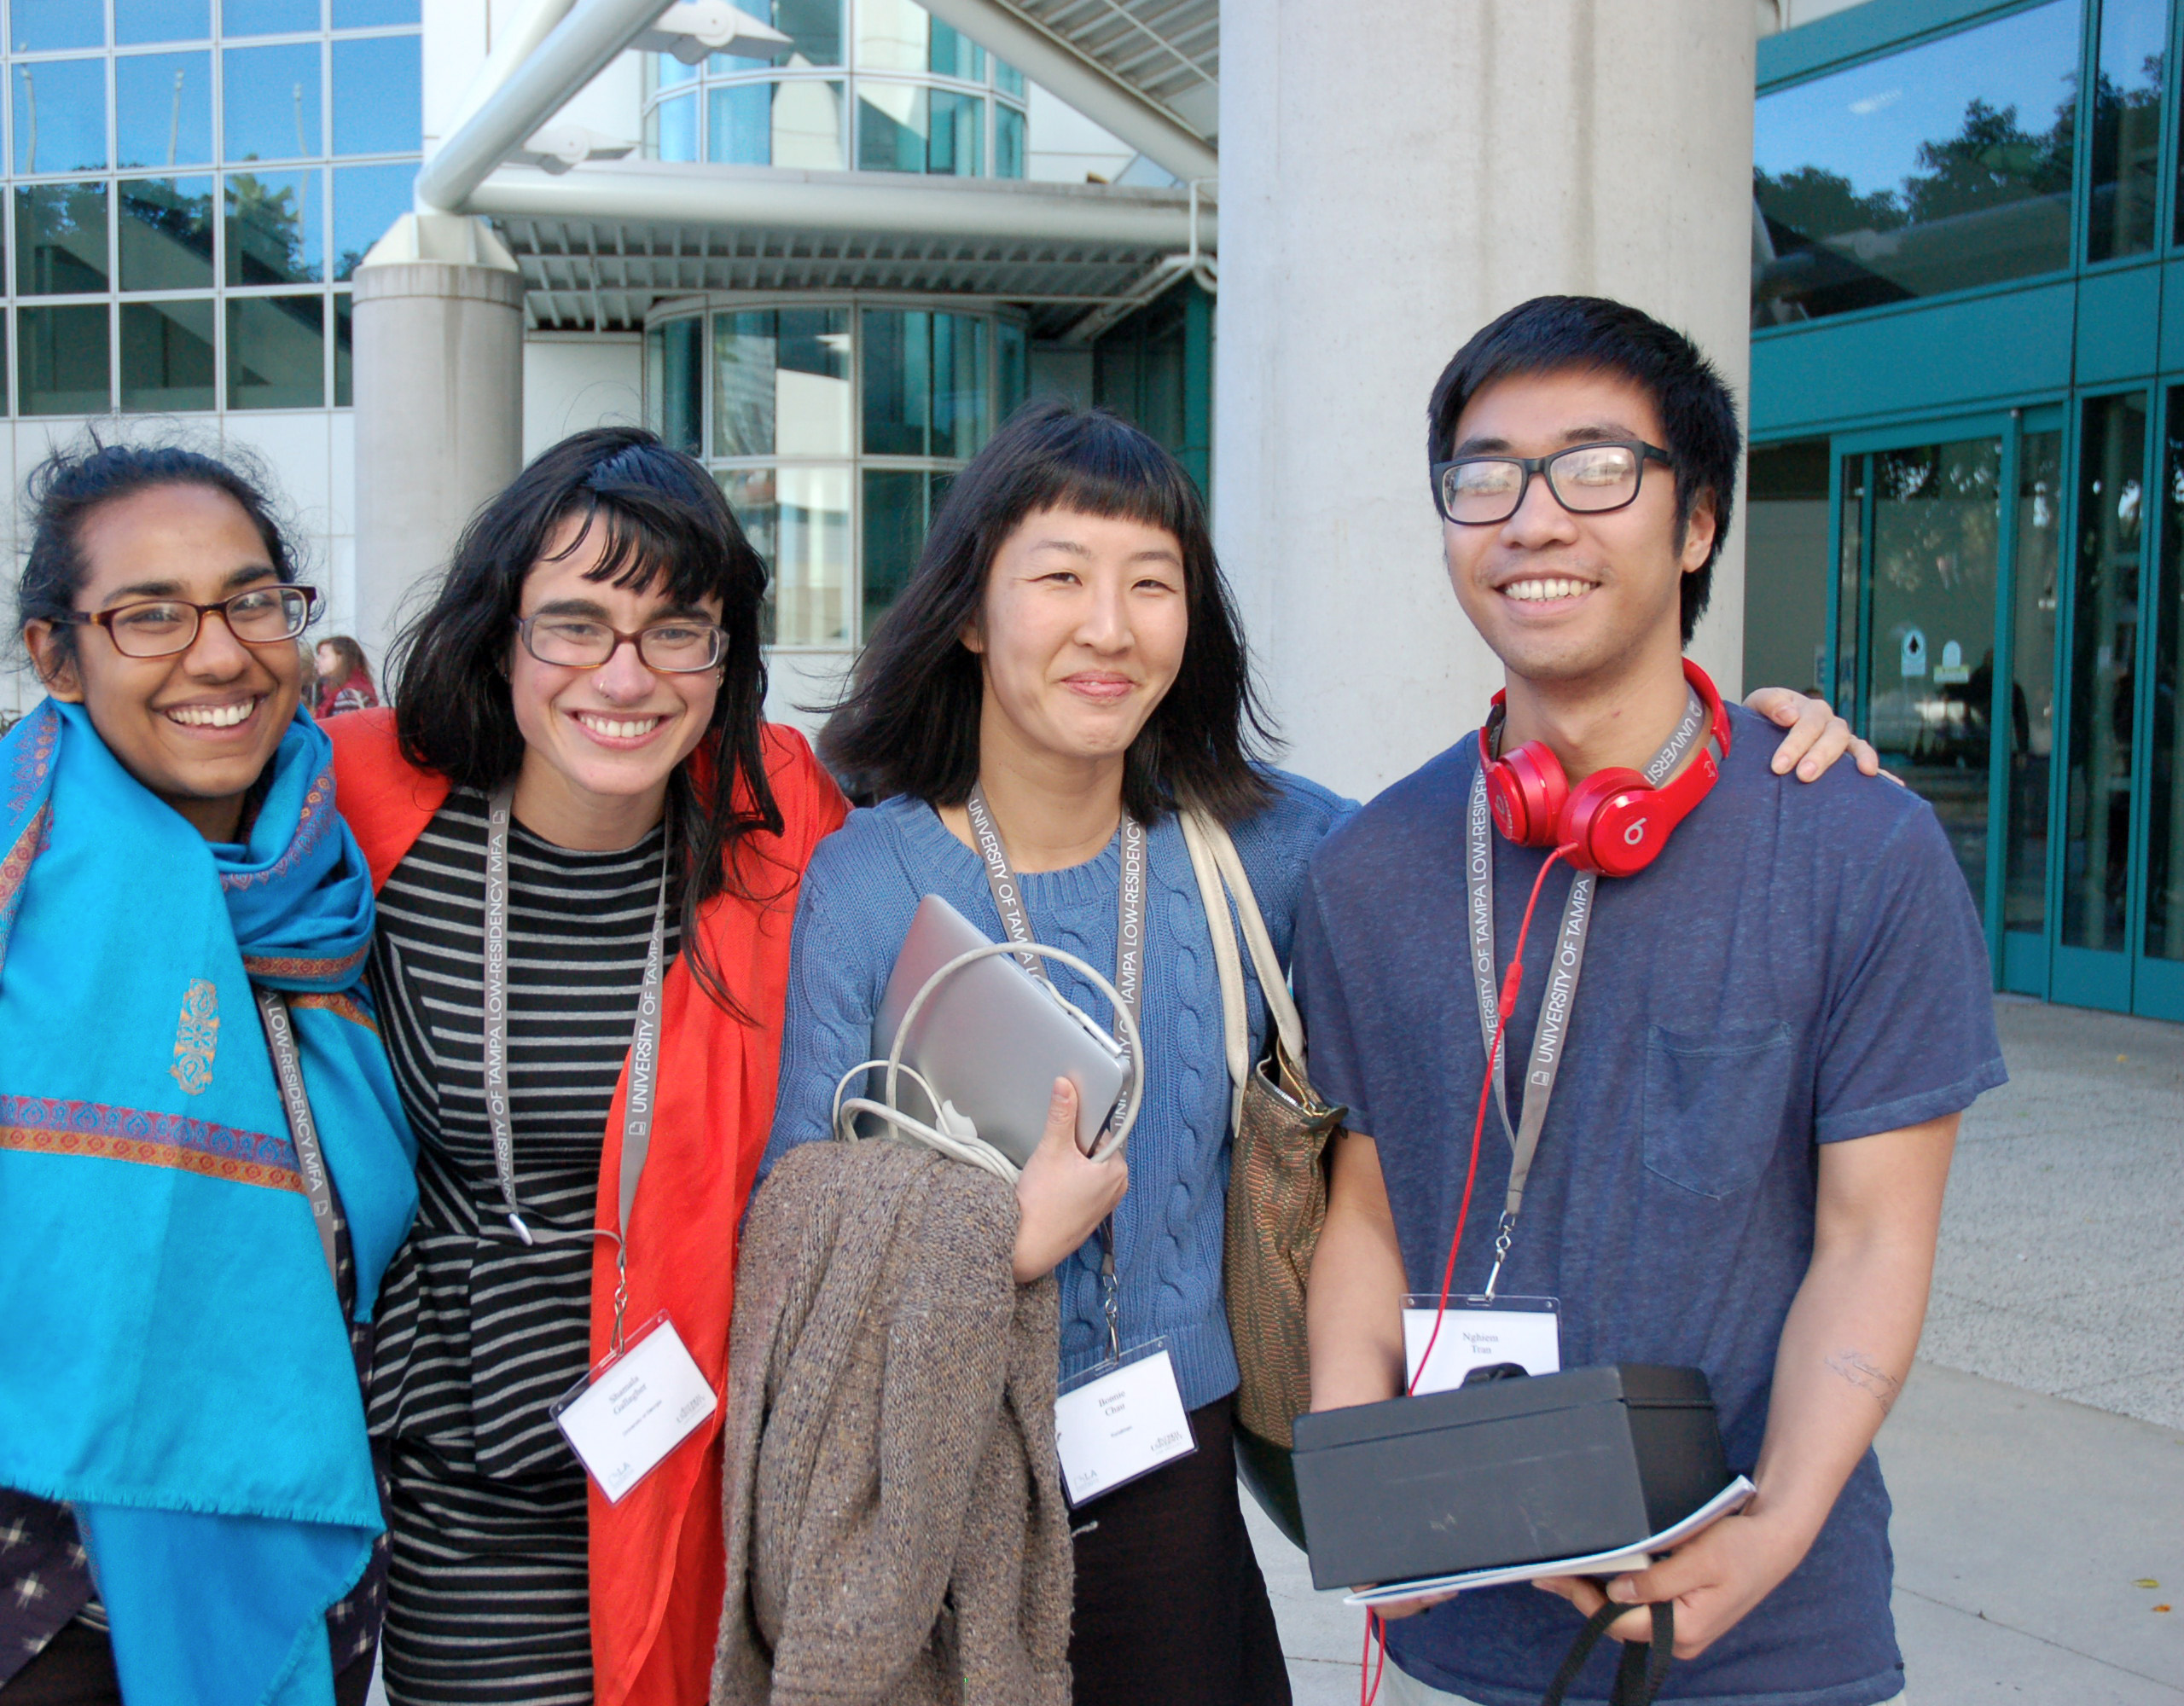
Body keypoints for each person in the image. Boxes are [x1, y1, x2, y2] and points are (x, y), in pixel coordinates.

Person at [759, 400, 1879, 1706]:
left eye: (1152, 583)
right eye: (1058, 578)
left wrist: (1743, 746)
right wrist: (999, 1244)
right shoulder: (862, 875)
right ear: (969, 612)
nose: (1109, 627)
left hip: (1174, 1471)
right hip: (938, 1466)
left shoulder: (1275, 850)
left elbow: (1533, 828)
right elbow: (801, 1219)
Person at [0, 426, 852, 1706]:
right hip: (456, 1469)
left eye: (678, 630)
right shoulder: (372, 799)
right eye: (574, 624)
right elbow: (148, 797)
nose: (625, 673)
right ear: (501, 636)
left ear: (726, 655)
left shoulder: (778, 824)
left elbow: (930, 886)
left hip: (697, 1454)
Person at [1298, 297, 2005, 1706]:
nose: (1532, 518)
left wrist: (1776, 1525)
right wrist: (1357, 1473)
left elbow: (1870, 1237)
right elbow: (1366, 1210)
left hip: (1763, 1636)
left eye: (1596, 467)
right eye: (1483, 474)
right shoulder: (1366, 868)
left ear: (1694, 526)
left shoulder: (1853, 847)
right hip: (1453, 1630)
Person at [0, 441, 418, 1706]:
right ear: (58, 655)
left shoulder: (336, 912)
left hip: (305, 1632)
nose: (219, 654)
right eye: (148, 614)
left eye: (252, 600)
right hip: (34, 1645)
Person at [316, 635, 380, 716]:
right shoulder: (336, 691)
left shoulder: (348, 696)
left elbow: (342, 727)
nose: (317, 660)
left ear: (341, 659)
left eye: (323, 656)